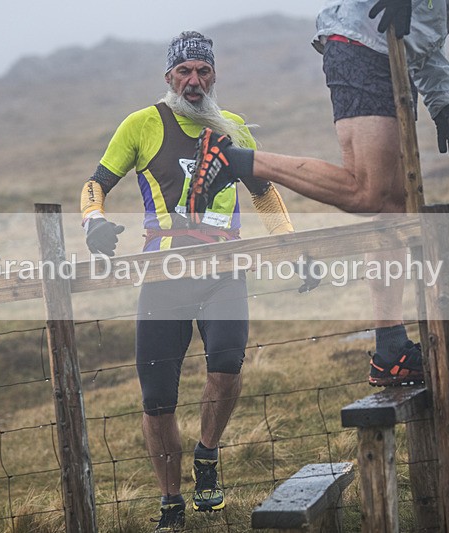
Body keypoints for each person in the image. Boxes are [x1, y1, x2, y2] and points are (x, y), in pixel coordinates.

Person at [186, 0, 449, 387]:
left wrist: (444, 103)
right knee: (368, 192)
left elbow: (430, 33)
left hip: (389, 56)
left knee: (394, 207)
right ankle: (232, 161)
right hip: (361, 47)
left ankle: (390, 347)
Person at [80, 31, 296, 532]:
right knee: (157, 398)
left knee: (226, 363)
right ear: (169, 78)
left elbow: (264, 193)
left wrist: (292, 247)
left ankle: (207, 454)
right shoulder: (142, 124)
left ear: (214, 74)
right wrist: (94, 224)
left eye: (203, 71)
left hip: (224, 270)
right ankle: (171, 501)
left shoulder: (234, 127)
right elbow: (96, 184)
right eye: (185, 72)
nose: (194, 81)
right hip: (164, 274)